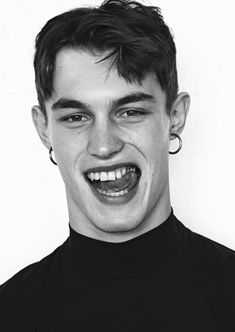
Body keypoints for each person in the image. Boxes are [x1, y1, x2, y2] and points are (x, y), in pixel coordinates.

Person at [0, 0, 235, 330]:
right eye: (76, 117)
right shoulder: (9, 312)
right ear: (43, 129)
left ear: (176, 116)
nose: (104, 145)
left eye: (130, 112)